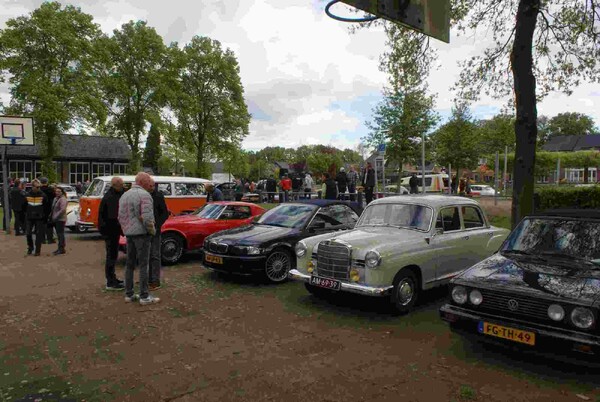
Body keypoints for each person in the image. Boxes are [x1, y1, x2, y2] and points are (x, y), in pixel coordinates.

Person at [118, 172, 159, 305]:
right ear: (143, 182)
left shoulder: (125, 195)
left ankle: (129, 294)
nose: (150, 184)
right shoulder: (144, 195)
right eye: (148, 182)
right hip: (142, 234)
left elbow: (121, 216)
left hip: (129, 233)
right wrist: (152, 231)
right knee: (143, 265)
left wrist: (126, 230)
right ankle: (144, 296)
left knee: (129, 264)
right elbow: (147, 219)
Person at [99, 177, 126, 290]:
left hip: (109, 230)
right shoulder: (111, 198)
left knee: (112, 255)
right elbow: (113, 217)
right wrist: (122, 230)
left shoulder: (111, 195)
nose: (123, 186)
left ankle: (112, 278)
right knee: (111, 255)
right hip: (110, 231)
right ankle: (110, 281)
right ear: (117, 185)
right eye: (122, 185)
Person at [148, 183, 169, 290]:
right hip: (145, 230)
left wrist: (157, 224)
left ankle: (155, 280)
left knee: (155, 256)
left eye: (152, 185)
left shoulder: (158, 196)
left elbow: (165, 213)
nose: (151, 187)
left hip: (155, 231)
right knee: (146, 256)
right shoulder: (144, 195)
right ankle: (148, 278)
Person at [25, 179, 49, 256]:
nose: (38, 188)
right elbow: (24, 206)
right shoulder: (27, 195)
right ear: (32, 187)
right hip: (29, 217)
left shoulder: (43, 195)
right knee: (28, 233)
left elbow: (46, 207)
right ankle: (30, 247)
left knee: (39, 234)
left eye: (39, 187)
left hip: (39, 218)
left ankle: (37, 250)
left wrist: (44, 216)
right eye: (37, 187)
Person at [50, 186, 68, 255]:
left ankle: (61, 248)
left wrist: (56, 216)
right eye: (56, 191)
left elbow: (62, 210)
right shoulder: (55, 199)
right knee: (58, 234)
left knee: (60, 234)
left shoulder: (63, 199)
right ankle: (60, 248)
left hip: (61, 219)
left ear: (62, 192)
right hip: (56, 219)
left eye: (59, 191)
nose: (57, 193)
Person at [39, 178, 55, 244]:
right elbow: (54, 197)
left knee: (42, 224)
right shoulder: (50, 190)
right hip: (49, 208)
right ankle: (50, 239)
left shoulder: (39, 190)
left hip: (41, 208)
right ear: (47, 182)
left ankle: (42, 239)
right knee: (49, 224)